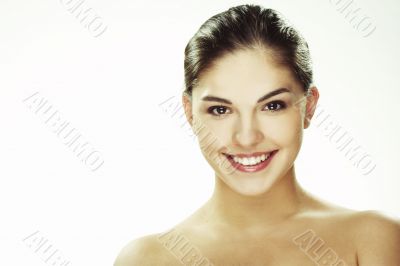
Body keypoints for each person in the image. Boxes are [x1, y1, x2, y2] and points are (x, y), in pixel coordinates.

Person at [114, 4, 400, 265]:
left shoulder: (372, 242)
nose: (247, 137)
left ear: (309, 106)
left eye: (272, 106)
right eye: (220, 110)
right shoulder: (147, 259)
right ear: (189, 113)